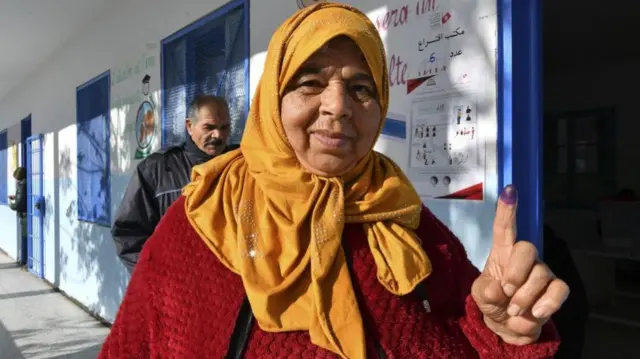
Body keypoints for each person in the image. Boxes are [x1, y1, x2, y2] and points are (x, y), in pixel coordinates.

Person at [100, 4, 568, 358]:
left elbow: (469, 340)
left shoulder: (409, 223)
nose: (338, 105)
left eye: (361, 88)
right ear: (272, 100)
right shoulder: (202, 218)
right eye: (310, 82)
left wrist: (503, 332)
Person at [111, 95, 237, 273]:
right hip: (178, 287)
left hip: (235, 286)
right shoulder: (157, 169)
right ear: (189, 126)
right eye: (209, 127)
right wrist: (156, 277)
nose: (218, 135)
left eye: (224, 128)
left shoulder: (240, 165)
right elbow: (128, 233)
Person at [9, 167, 28, 263]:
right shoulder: (26, 183)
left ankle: (25, 261)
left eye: (15, 177)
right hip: (28, 213)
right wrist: (16, 196)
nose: (15, 179)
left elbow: (18, 204)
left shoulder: (21, 185)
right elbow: (23, 197)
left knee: (25, 237)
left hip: (24, 215)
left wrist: (11, 204)